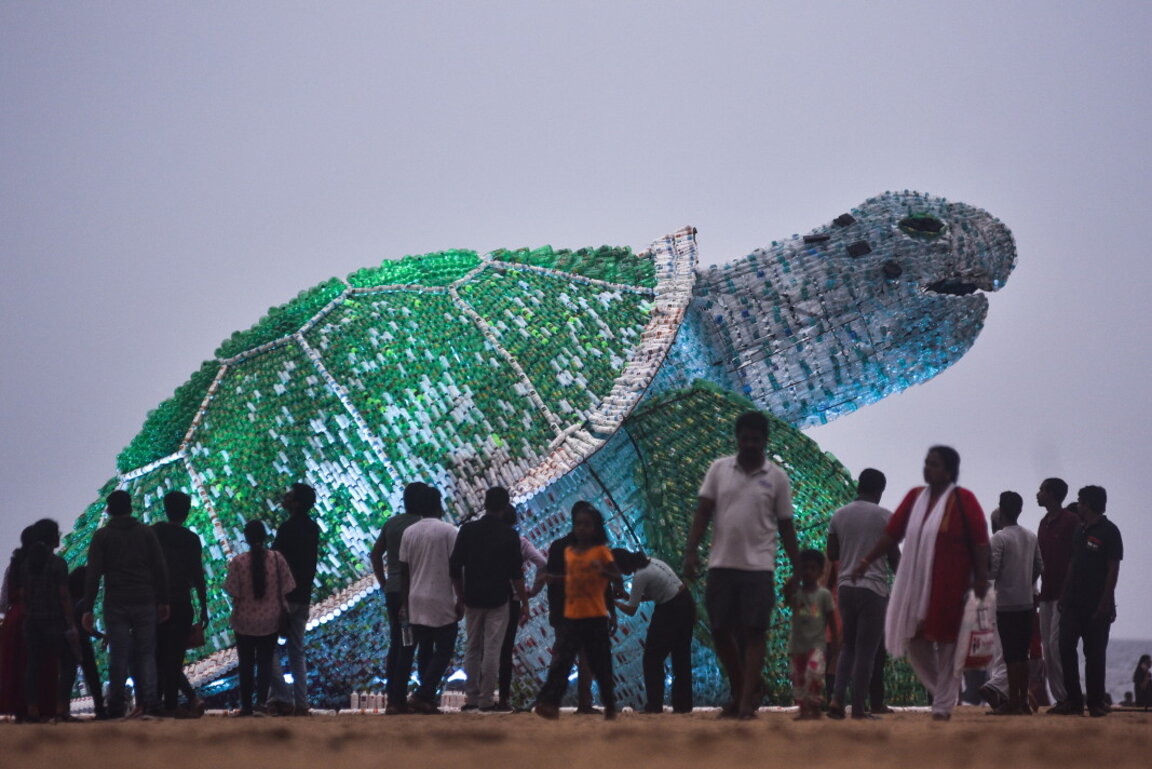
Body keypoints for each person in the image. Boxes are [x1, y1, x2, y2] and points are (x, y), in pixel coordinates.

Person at [851, 446, 989, 721]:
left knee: (949, 644)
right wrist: (867, 560)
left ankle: (942, 704)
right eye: (926, 463)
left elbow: (980, 542)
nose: (927, 468)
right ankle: (944, 692)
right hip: (915, 587)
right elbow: (892, 535)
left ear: (949, 471)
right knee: (914, 639)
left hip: (952, 587)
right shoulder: (915, 498)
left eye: (934, 464)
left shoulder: (965, 500)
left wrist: (982, 577)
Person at [683, 411, 799, 720]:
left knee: (754, 632)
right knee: (721, 630)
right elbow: (703, 511)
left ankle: (745, 703)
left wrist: (797, 570)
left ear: (764, 441)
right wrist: (691, 551)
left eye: (755, 439)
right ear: (737, 439)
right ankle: (743, 687)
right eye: (744, 438)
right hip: (721, 564)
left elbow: (787, 526)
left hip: (759, 567)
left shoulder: (777, 478)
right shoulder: (719, 470)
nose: (749, 444)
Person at [82, 490, 170, 719]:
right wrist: (163, 600)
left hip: (116, 601)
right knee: (147, 653)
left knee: (119, 655)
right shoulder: (146, 533)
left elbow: (93, 574)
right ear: (130, 507)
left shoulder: (102, 537)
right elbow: (160, 567)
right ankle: (150, 701)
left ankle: (116, 706)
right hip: (144, 598)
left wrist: (88, 607)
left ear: (109, 510)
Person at [534, 503, 623, 721]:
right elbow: (571, 579)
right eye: (579, 524)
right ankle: (560, 702)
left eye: (586, 524)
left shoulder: (594, 551)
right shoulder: (570, 551)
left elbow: (610, 581)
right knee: (569, 661)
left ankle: (602, 704)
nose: (582, 528)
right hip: (572, 613)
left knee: (592, 662)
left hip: (589, 613)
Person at [450, 487, 529, 712]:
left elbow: (455, 566)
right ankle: (486, 699)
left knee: (472, 647)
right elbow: (516, 574)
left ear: (485, 503)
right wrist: (524, 602)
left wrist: (460, 595)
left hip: (473, 596)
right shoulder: (509, 535)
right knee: (493, 648)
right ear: (504, 507)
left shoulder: (467, 530)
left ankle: (471, 698)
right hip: (498, 598)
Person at [826, 468, 897, 720]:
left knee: (848, 647)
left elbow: (832, 553)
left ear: (858, 486)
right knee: (866, 651)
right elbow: (894, 558)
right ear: (879, 490)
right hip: (873, 589)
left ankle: (836, 699)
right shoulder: (886, 517)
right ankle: (857, 708)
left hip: (845, 587)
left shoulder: (839, 515)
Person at [1051, 485, 1122, 717]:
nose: (1078, 505)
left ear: (1089, 504)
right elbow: (1073, 563)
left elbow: (1113, 569)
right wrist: (1064, 593)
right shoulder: (1079, 530)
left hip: (1096, 604)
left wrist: (1106, 602)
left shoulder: (1110, 531)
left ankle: (1095, 703)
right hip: (1072, 602)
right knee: (1064, 645)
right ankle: (1073, 700)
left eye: (1080, 501)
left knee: (1095, 653)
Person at [398, 485, 461, 714]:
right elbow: (456, 570)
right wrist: (461, 598)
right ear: (439, 505)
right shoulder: (450, 531)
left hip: (416, 598)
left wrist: (405, 603)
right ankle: (423, 694)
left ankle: (426, 699)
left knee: (424, 649)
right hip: (441, 598)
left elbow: (404, 571)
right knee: (444, 649)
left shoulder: (409, 532)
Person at [224, 519, 295, 717]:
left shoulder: (238, 562)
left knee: (245, 664)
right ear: (264, 537)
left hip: (244, 621)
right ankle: (261, 703)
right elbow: (288, 587)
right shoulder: (276, 558)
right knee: (264, 663)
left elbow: (233, 591)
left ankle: (246, 706)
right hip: (270, 620)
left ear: (245, 538)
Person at [612, 548, 695, 714]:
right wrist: (628, 597)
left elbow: (631, 610)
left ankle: (654, 704)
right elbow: (653, 592)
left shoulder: (640, 576)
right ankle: (683, 705)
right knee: (681, 656)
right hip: (686, 603)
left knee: (652, 657)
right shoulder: (651, 562)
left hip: (670, 609)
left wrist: (613, 602)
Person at [370, 482, 428, 714]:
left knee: (397, 643)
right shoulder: (421, 526)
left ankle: (392, 697)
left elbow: (375, 554)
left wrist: (383, 583)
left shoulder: (391, 523)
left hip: (393, 591)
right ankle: (399, 701)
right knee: (409, 645)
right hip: (412, 593)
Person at [152, 491, 209, 717]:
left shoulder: (154, 533)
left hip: (157, 603)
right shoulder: (191, 539)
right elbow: (197, 574)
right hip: (182, 603)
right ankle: (171, 704)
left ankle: (156, 702)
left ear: (166, 509)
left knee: (157, 654)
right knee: (175, 656)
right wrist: (203, 606)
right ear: (186, 512)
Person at [267, 482, 321, 716]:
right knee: (296, 650)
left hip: (285, 596)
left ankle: (281, 696)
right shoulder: (313, 529)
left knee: (267, 648)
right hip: (303, 595)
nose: (285, 497)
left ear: (296, 503)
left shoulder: (287, 529)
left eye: (289, 495)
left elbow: (276, 561)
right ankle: (301, 702)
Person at [987, 492, 1043, 715]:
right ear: (1020, 510)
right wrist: (1025, 583)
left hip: (1006, 604)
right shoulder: (1030, 536)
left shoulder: (999, 538)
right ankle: (1023, 701)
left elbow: (992, 571)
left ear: (1001, 510)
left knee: (1011, 656)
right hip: (1027, 603)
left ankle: (1014, 701)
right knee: (1023, 654)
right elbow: (1039, 566)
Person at [19, 519, 80, 722]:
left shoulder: (26, 564)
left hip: (32, 622)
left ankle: (32, 710)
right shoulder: (58, 563)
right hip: (54, 621)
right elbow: (64, 596)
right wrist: (71, 624)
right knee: (68, 663)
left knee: (33, 666)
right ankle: (62, 708)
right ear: (53, 538)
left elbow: (23, 596)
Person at [497, 503, 546, 711]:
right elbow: (543, 564)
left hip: (486, 598)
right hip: (513, 600)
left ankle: (481, 696)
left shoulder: (486, 540)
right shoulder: (521, 543)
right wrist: (532, 591)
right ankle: (504, 699)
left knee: (486, 647)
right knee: (505, 650)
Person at [1035, 477, 1079, 707]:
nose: (1038, 493)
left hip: (1063, 594)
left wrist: (1067, 591)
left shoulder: (1070, 521)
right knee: (1047, 648)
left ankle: (1068, 697)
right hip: (1046, 592)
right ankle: (1060, 698)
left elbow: (1075, 558)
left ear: (1052, 494)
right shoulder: (1044, 523)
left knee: (1056, 645)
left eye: (1042, 490)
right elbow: (1039, 560)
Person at [785, 549, 838, 720]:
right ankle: (803, 709)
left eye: (813, 568)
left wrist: (836, 642)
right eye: (805, 568)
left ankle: (814, 703)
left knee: (814, 674)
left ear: (821, 572)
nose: (808, 572)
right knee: (799, 678)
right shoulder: (797, 594)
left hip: (816, 645)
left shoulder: (824, 595)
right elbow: (786, 596)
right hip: (797, 646)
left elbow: (831, 619)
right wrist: (794, 578)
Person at [64, 566, 107, 719]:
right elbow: (85, 625)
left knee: (68, 674)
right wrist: (100, 635)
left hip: (68, 640)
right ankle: (100, 708)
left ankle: (63, 709)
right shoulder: (83, 602)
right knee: (92, 675)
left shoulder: (68, 600)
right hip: (81, 640)